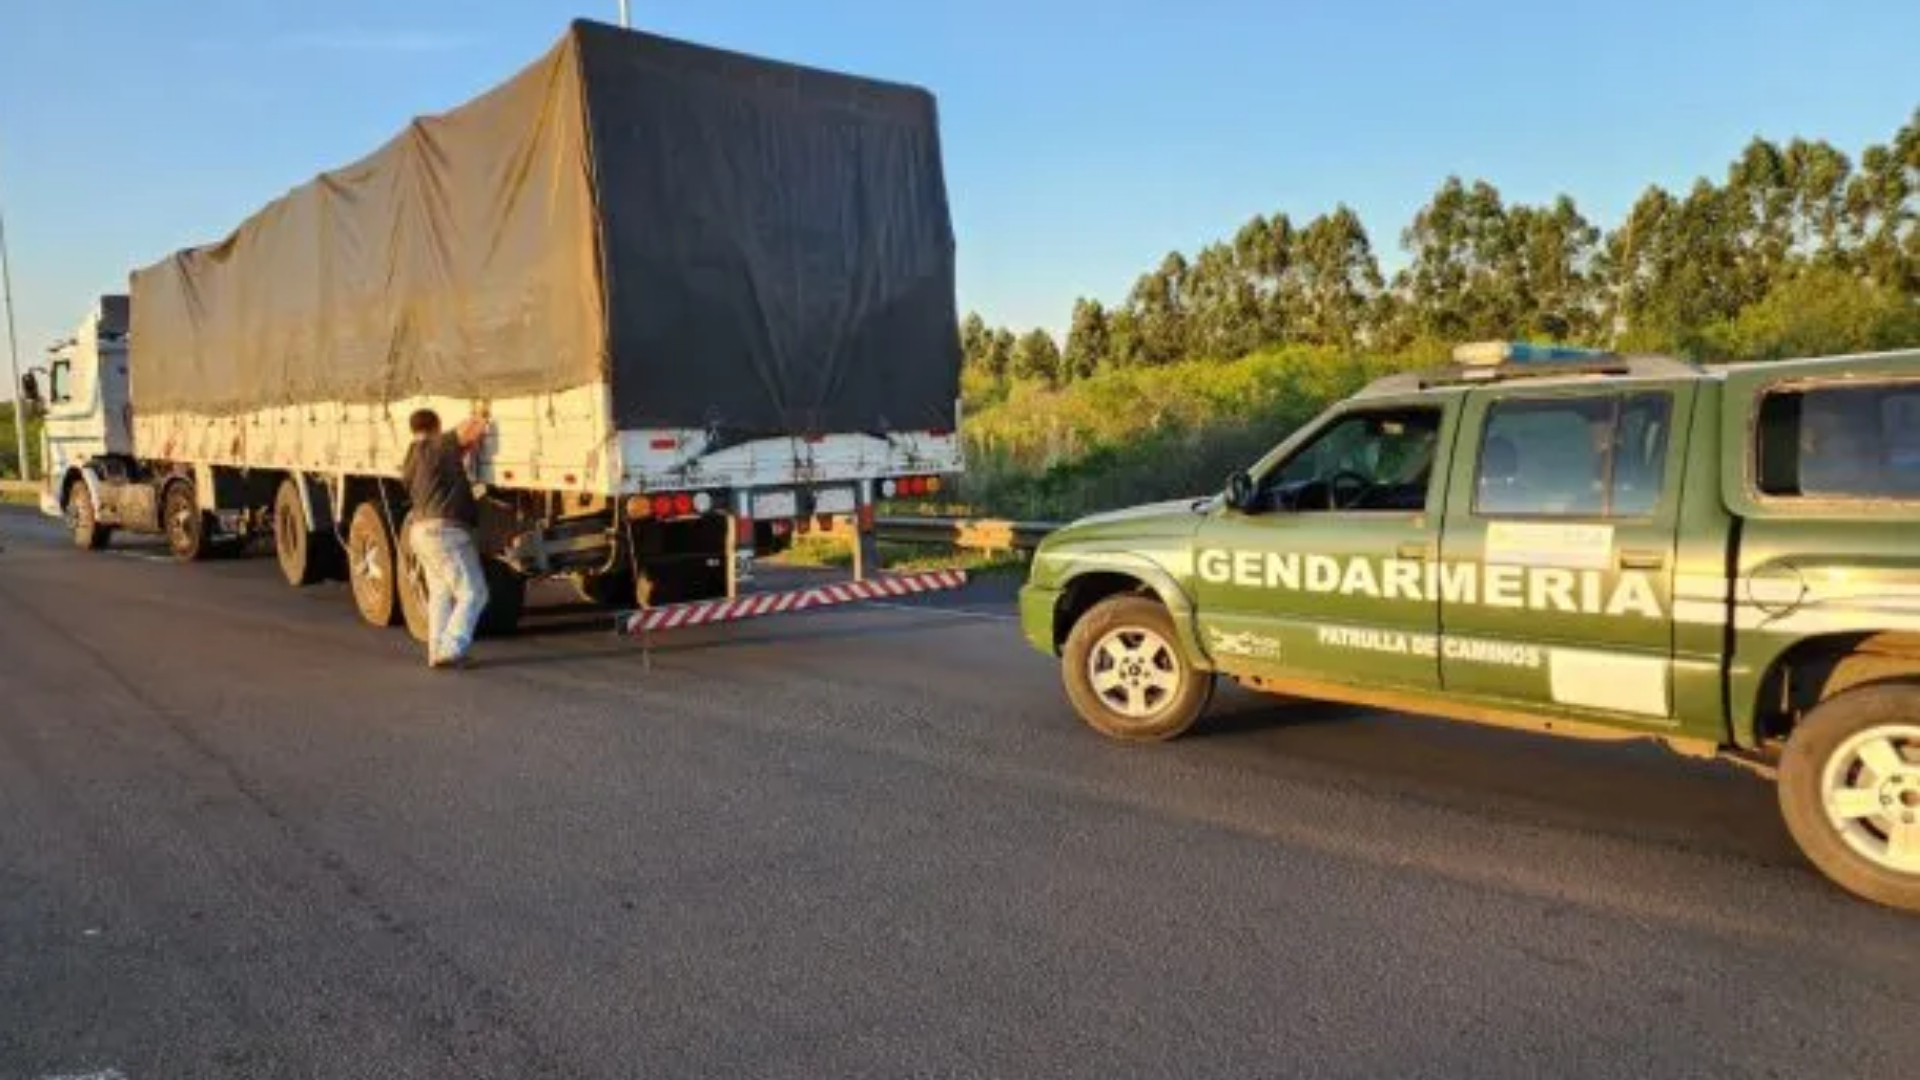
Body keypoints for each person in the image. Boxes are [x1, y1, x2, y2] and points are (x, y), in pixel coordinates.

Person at [402, 407, 491, 668]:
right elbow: (468, 429)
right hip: (445, 532)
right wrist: (481, 414)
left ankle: (436, 650)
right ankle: (451, 647)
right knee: (474, 592)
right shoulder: (437, 445)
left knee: (441, 593)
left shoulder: (411, 457)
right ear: (436, 426)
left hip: (420, 532)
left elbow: (438, 472)